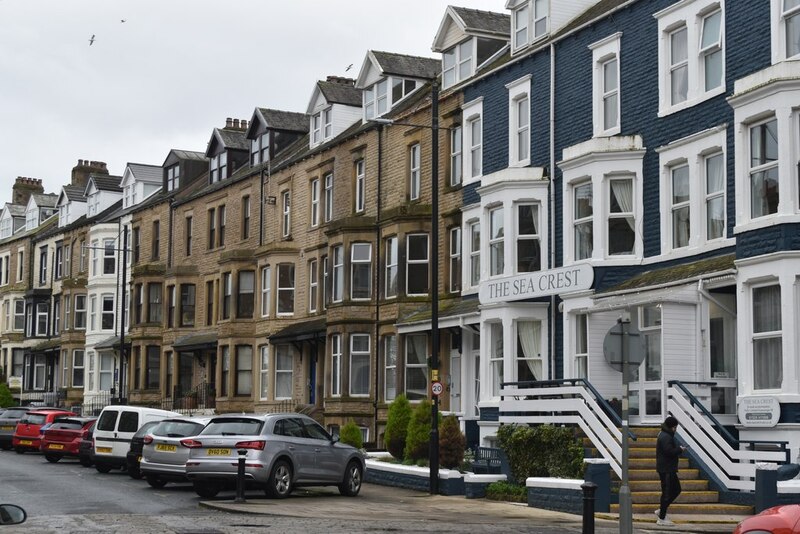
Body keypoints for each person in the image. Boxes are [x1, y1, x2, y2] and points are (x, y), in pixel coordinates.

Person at [655, 415, 685, 526]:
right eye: (675, 427)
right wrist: (680, 449)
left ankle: (661, 510)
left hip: (668, 468)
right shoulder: (666, 437)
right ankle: (661, 518)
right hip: (666, 469)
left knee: (676, 489)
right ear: (672, 427)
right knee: (667, 493)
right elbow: (669, 451)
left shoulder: (664, 434)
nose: (676, 429)